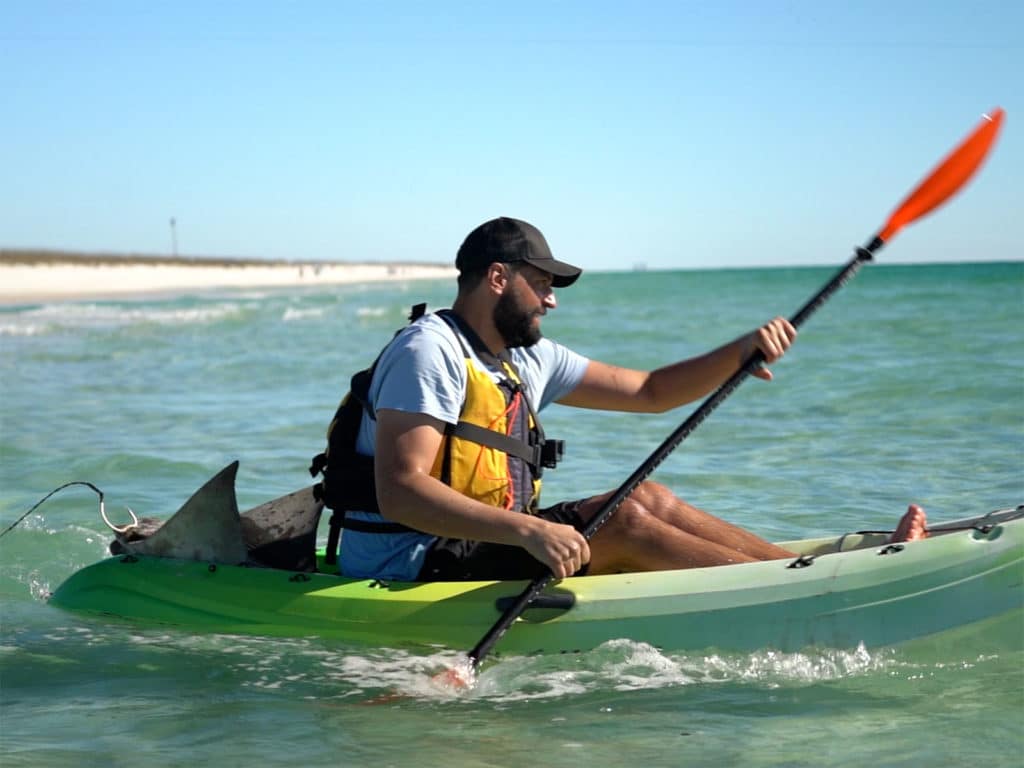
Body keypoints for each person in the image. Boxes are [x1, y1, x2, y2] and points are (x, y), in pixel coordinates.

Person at [314, 216, 928, 582]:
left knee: (648, 497)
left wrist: (739, 354)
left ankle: (803, 577)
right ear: (498, 279)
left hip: (480, 540)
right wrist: (529, 531)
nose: (551, 300)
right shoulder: (431, 353)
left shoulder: (525, 357)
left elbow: (652, 391)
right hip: (406, 559)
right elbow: (402, 490)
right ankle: (806, 587)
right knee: (628, 523)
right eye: (542, 284)